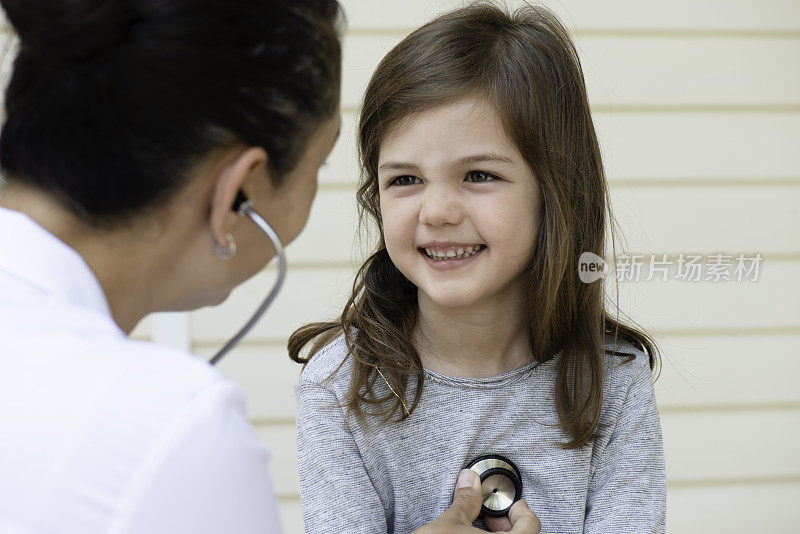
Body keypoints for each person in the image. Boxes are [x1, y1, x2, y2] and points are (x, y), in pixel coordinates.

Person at [290, 3, 667, 533]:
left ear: (555, 192)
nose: (438, 211)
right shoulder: (340, 389)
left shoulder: (612, 384)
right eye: (404, 180)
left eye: (479, 175)